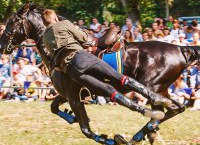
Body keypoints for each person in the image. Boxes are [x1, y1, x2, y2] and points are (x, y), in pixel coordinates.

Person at [41, 9, 172, 119]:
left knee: (111, 92)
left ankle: (142, 111)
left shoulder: (44, 38)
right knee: (119, 78)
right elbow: (83, 38)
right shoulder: (63, 23)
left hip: (71, 71)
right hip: (81, 58)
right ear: (55, 18)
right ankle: (153, 96)